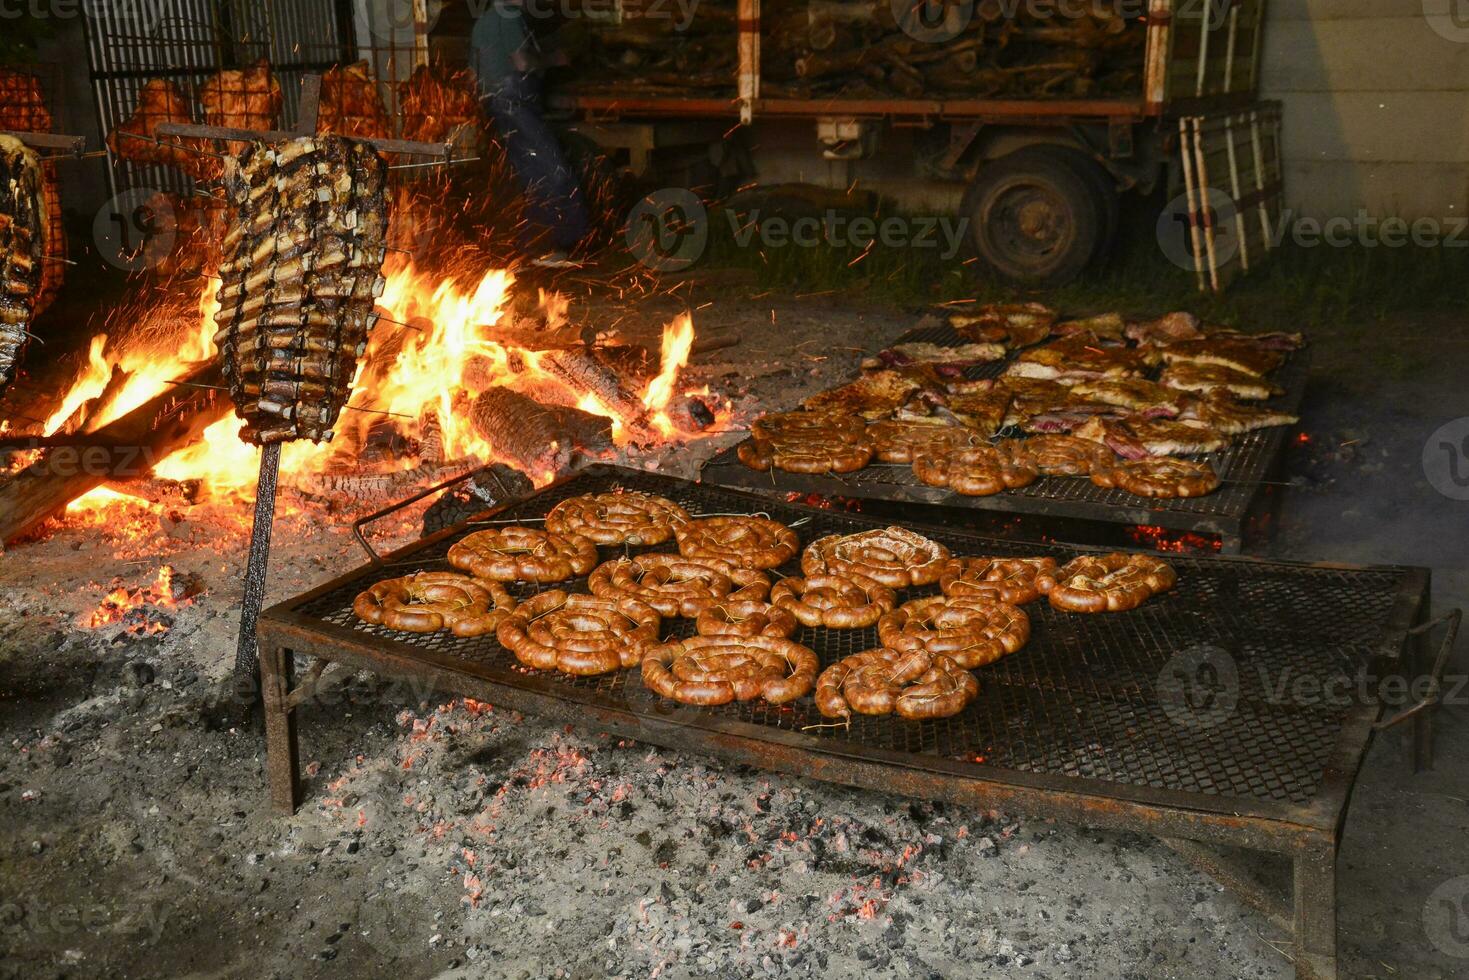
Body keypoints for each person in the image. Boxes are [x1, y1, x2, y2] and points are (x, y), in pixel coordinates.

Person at [470, 0, 590, 268]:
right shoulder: (509, 14)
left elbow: (474, 74)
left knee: (533, 176)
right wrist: (553, 59)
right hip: (514, 104)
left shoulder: (484, 20)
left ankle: (532, 248)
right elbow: (522, 62)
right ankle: (552, 245)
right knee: (554, 171)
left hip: (497, 106)